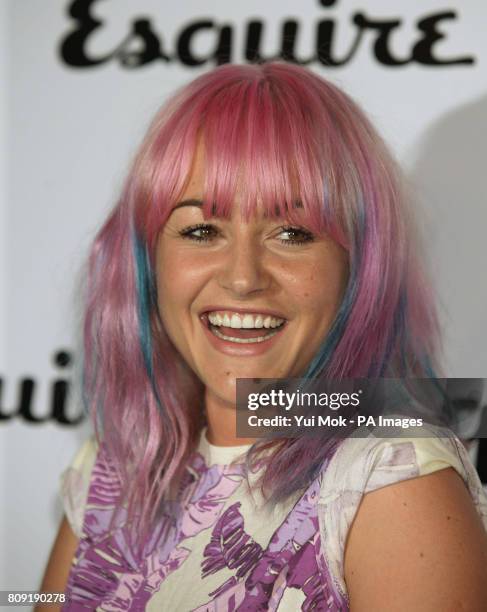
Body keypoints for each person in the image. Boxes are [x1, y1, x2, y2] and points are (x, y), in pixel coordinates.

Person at [38, 62, 487, 611]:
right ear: (147, 260)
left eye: (292, 232)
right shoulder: (115, 467)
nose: (243, 277)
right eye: (202, 230)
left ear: (359, 265)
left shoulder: (391, 479)